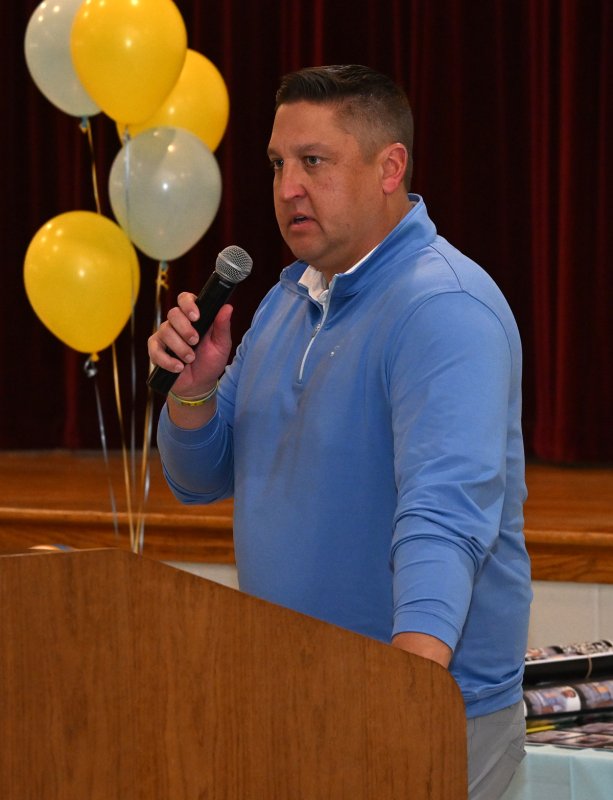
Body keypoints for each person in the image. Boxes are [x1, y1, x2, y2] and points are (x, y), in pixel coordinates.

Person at [148, 64, 532, 799]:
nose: (287, 186)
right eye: (277, 164)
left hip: (412, 711)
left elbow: (444, 517)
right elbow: (198, 480)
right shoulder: (286, 300)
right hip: (294, 701)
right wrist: (193, 396)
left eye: (313, 162)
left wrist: (404, 699)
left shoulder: (442, 309)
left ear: (389, 167)